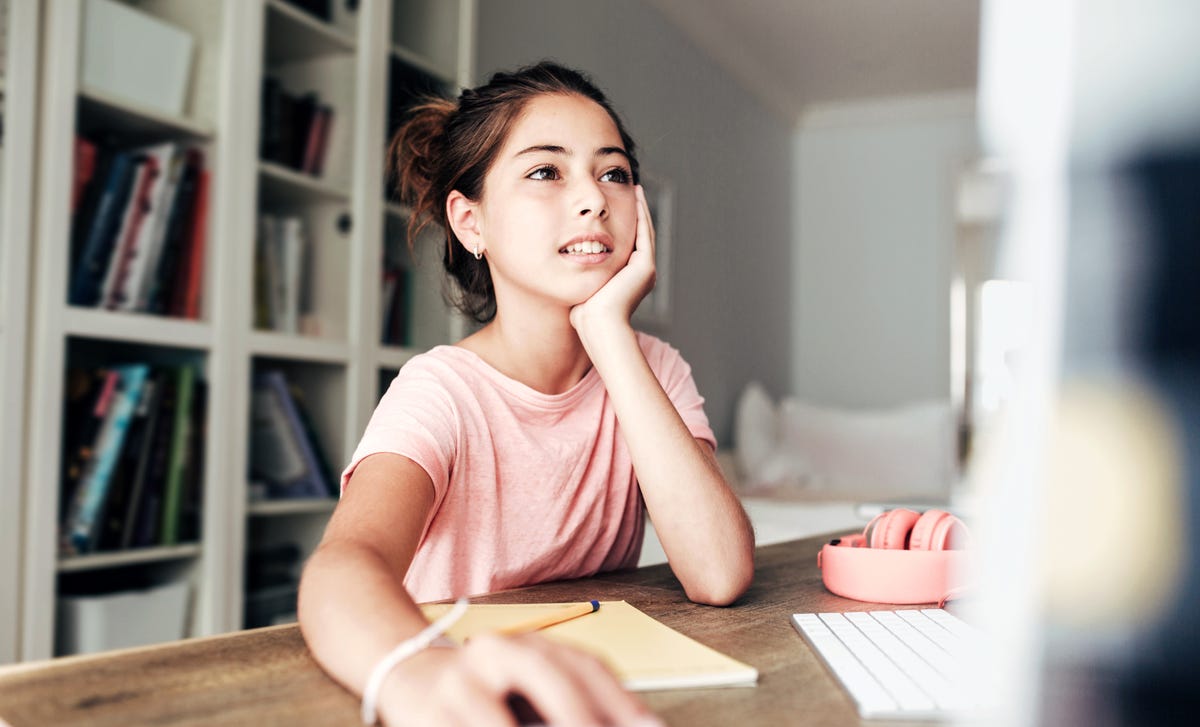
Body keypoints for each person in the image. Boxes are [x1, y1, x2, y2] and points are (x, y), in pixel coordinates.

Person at [297, 60, 755, 727]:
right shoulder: (442, 390)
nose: (594, 198)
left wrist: (609, 335)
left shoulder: (655, 368)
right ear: (470, 222)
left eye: (615, 173)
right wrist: (424, 677)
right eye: (546, 171)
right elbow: (342, 567)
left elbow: (719, 572)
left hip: (592, 689)